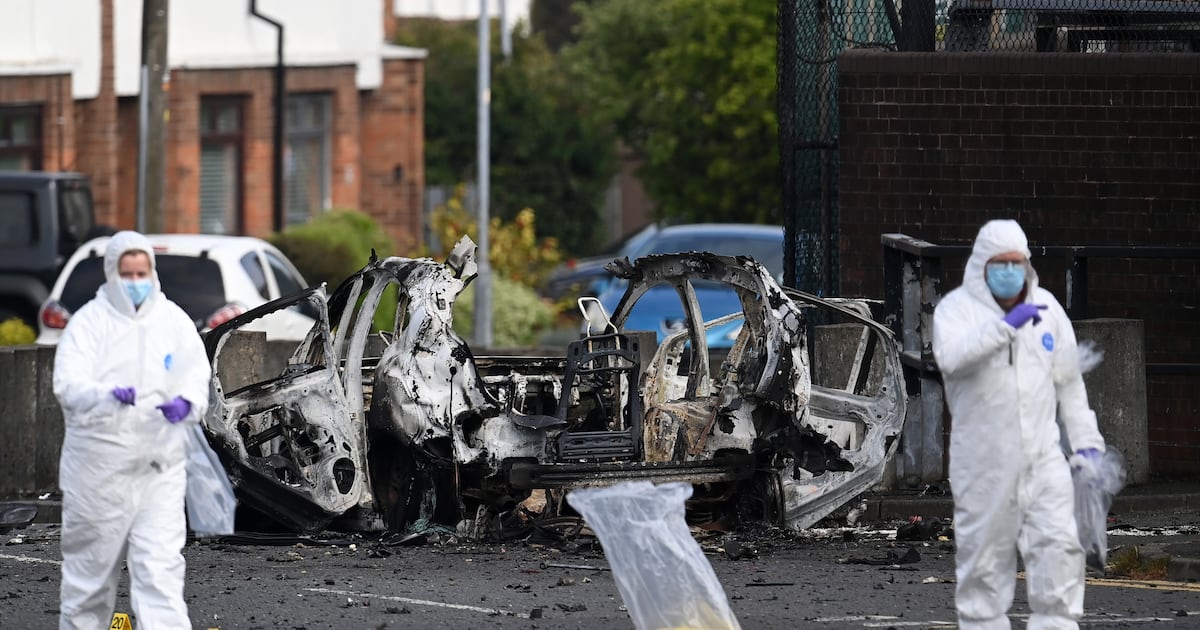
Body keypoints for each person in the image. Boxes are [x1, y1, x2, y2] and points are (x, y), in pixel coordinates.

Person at [932, 219, 1106, 630]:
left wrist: (1086, 443)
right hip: (984, 465)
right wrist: (1003, 329)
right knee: (985, 567)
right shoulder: (956, 311)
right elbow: (952, 358)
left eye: (1017, 262)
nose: (1009, 271)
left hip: (1044, 459)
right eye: (1000, 263)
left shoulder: (1048, 311)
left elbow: (1069, 383)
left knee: (1059, 552)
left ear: (1027, 264)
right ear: (982, 266)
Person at [53, 231, 211, 629]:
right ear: (112, 274)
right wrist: (105, 395)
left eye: (142, 272)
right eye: (127, 273)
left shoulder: (171, 320)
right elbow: (68, 385)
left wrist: (187, 403)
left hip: (159, 469)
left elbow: (195, 373)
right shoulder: (89, 324)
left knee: (160, 573)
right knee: (89, 580)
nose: (136, 280)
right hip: (98, 474)